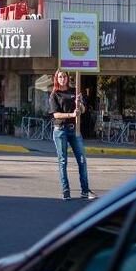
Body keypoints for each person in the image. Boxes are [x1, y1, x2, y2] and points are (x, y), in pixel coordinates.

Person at [49, 70, 97, 201]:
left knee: (82, 160)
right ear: (56, 79)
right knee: (63, 161)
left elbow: (82, 110)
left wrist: (79, 103)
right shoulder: (54, 94)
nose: (62, 78)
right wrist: (71, 115)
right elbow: (55, 115)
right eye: (59, 76)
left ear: (67, 78)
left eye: (64, 76)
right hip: (60, 130)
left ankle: (85, 191)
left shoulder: (74, 91)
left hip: (74, 130)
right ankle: (66, 191)